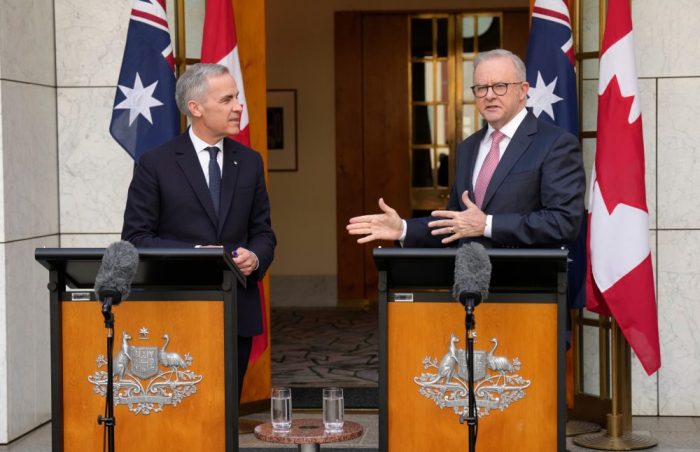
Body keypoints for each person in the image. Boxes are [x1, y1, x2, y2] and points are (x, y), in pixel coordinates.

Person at [122, 63, 276, 394]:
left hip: (237, 310)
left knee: (227, 411)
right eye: (227, 99)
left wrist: (255, 257)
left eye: (237, 97)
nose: (238, 107)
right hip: (177, 309)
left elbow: (263, 233)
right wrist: (197, 255)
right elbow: (136, 239)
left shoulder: (250, 162)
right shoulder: (155, 164)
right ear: (196, 108)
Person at [347, 49, 585, 248]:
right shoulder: (468, 148)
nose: (489, 95)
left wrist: (487, 225)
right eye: (481, 88)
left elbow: (564, 222)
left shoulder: (555, 143)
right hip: (467, 281)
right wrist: (403, 229)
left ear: (523, 91)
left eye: (500, 86)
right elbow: (455, 222)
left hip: (527, 284)